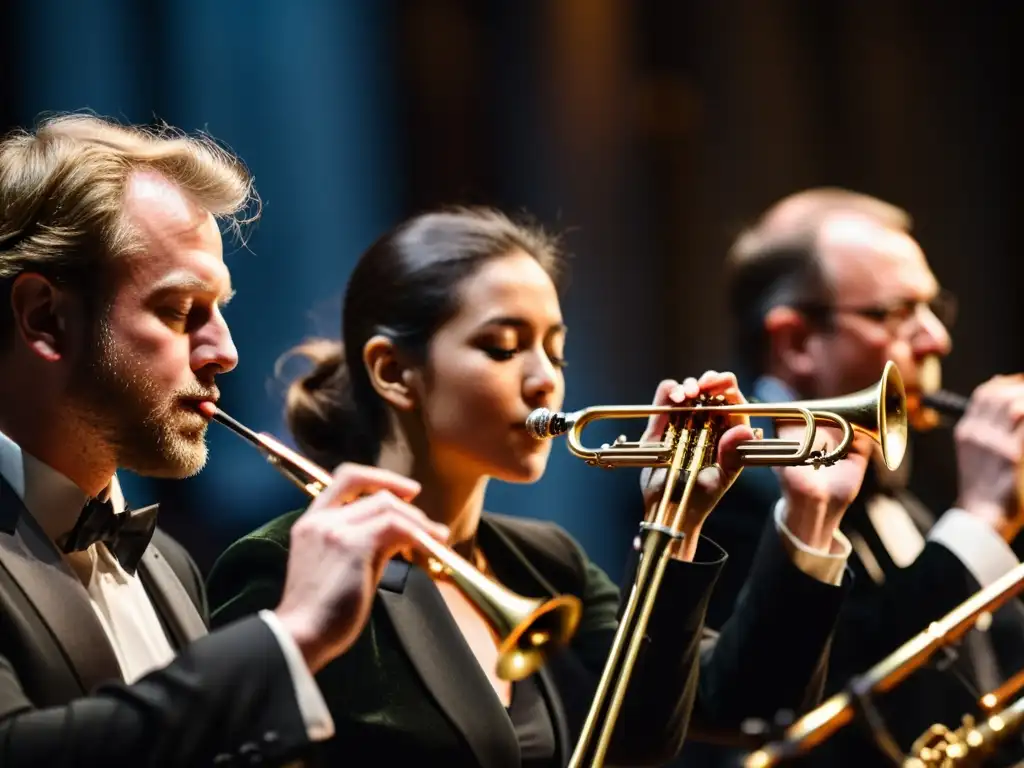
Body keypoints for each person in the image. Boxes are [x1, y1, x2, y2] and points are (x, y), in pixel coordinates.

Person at [206, 207, 876, 768]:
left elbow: (725, 712)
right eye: (503, 347)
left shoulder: (543, 560)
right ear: (393, 372)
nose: (545, 380)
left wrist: (789, 515)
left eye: (554, 350)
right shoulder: (287, 564)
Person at [0, 113, 453, 767]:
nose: (226, 352)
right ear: (45, 317)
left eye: (222, 310)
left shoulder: (169, 565)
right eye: (183, 311)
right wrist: (289, 637)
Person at [699, 187, 1024, 765]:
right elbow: (818, 712)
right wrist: (979, 522)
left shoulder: (903, 497)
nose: (937, 338)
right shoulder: (723, 495)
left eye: (933, 308)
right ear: (796, 342)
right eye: (898, 312)